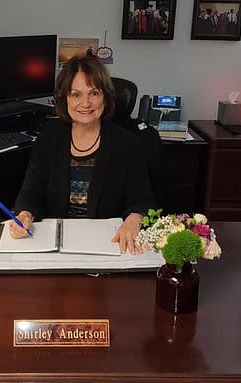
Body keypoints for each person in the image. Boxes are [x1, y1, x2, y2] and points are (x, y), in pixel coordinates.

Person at [11, 55, 154, 254]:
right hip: (55, 245)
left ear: (105, 96)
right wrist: (24, 214)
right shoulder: (49, 138)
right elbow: (31, 191)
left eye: (94, 93)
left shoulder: (127, 144)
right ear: (64, 98)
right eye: (76, 95)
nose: (85, 103)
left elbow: (143, 200)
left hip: (108, 244)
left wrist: (135, 218)